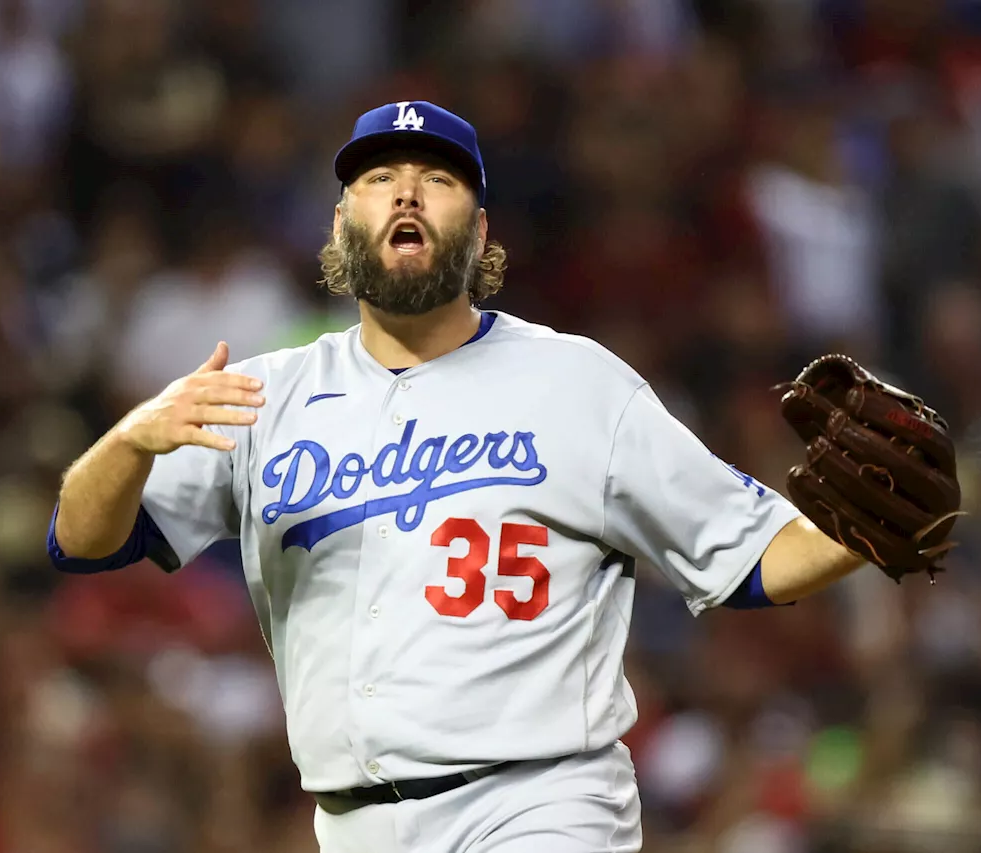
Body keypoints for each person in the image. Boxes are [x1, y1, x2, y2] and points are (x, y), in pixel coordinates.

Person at [48, 101, 866, 853]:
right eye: (379, 180)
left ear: (479, 231)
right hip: (353, 821)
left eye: (435, 180)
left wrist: (869, 526)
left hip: (541, 804)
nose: (406, 197)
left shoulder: (578, 383)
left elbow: (753, 555)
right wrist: (126, 443)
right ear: (341, 225)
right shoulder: (268, 396)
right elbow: (86, 542)